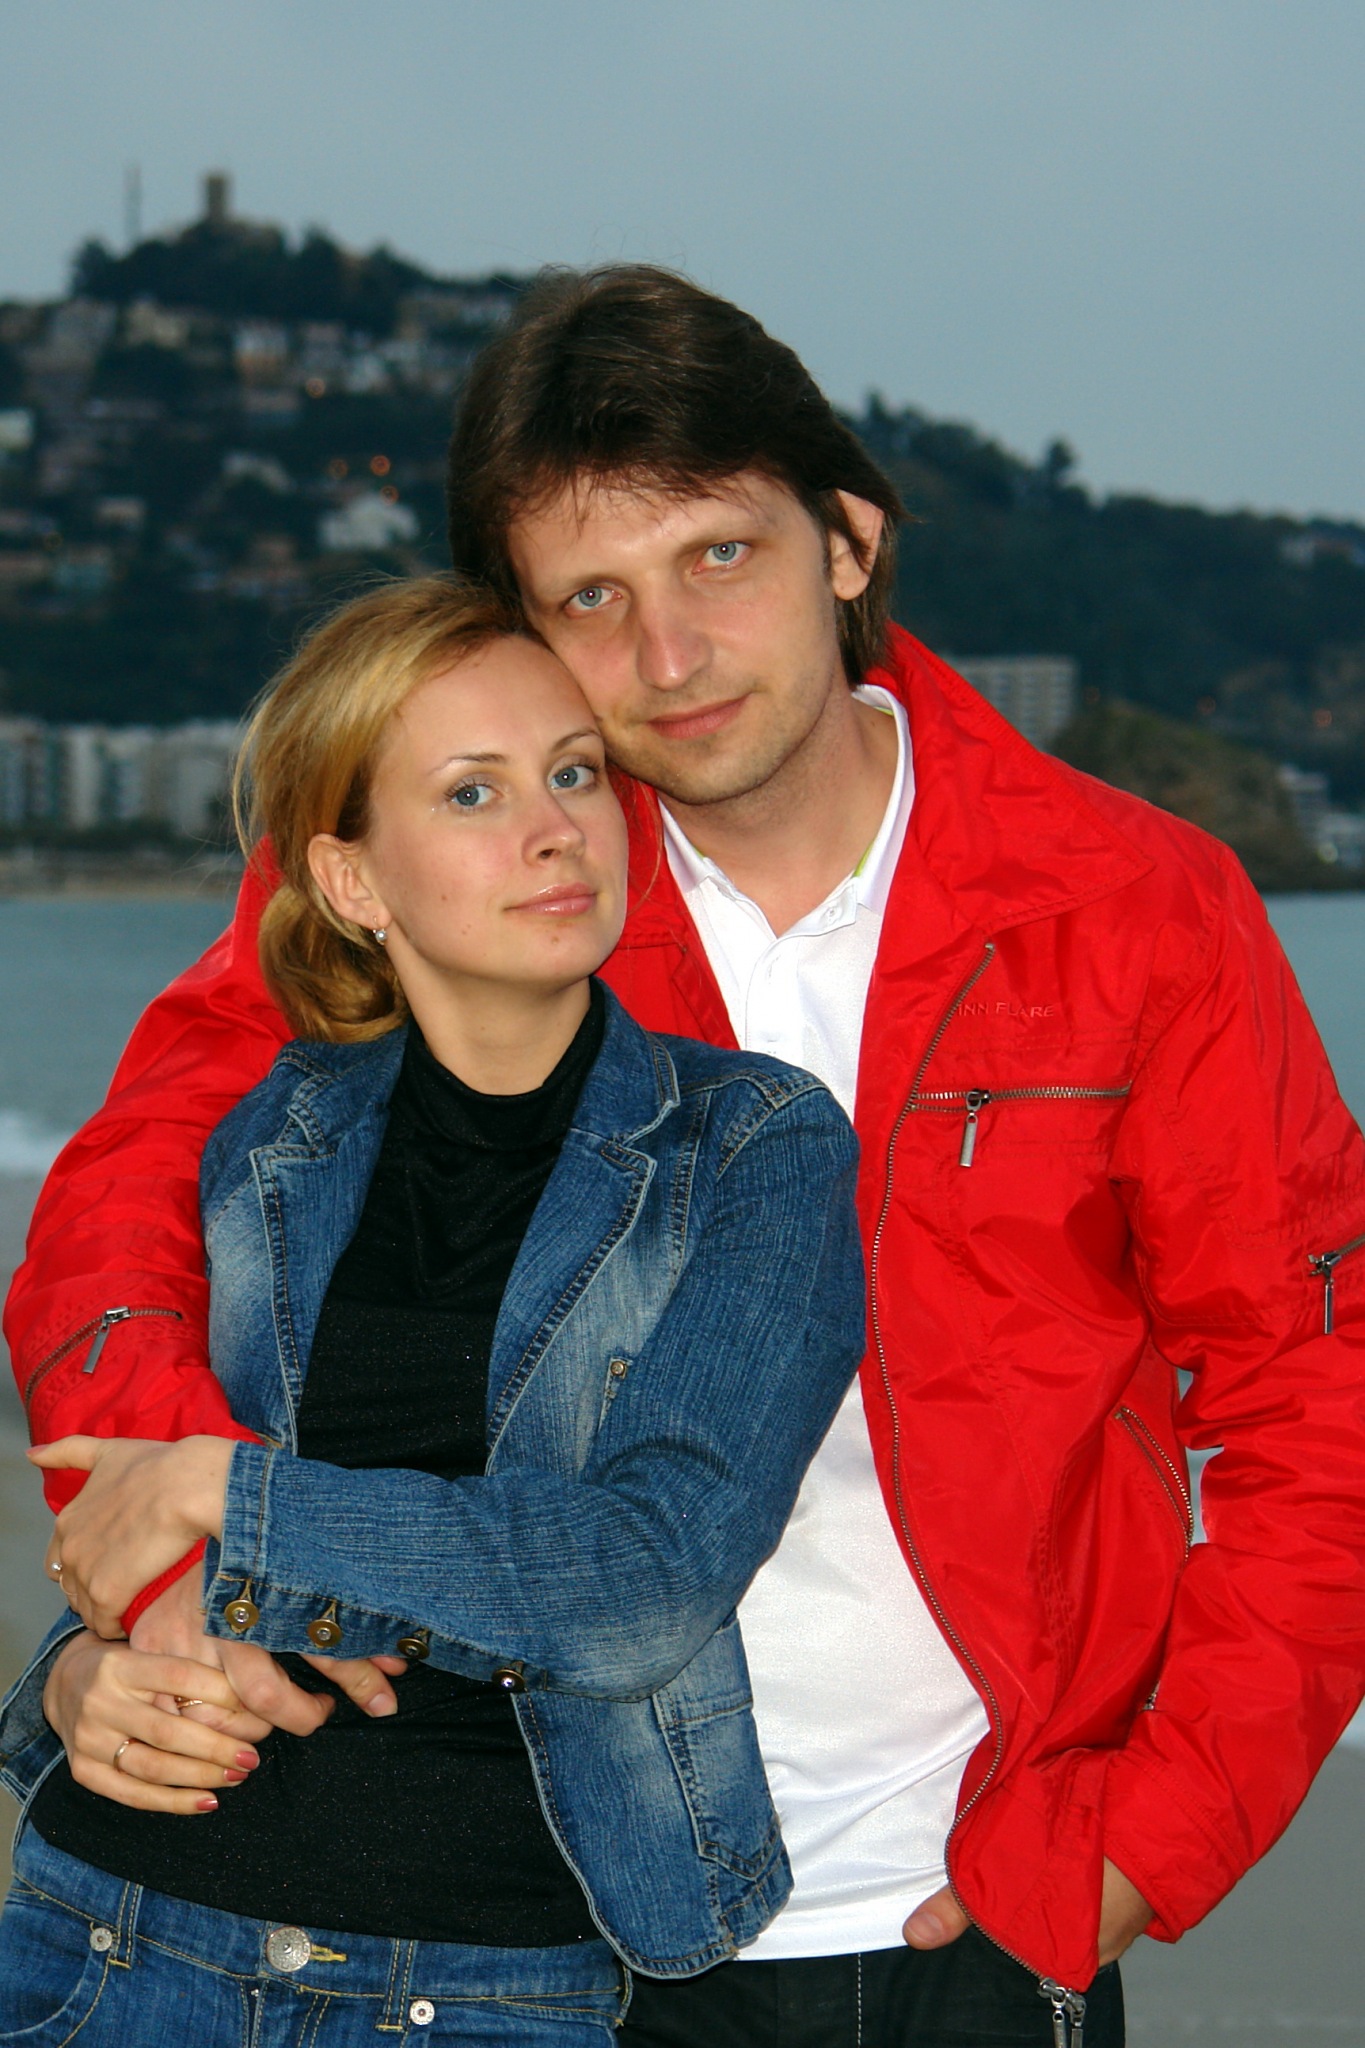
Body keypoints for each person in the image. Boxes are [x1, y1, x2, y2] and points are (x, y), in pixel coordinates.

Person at [8, 266, 1365, 2048]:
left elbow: (1312, 1398)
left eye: (719, 555)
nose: (667, 656)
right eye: (592, 596)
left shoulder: (1130, 910)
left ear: (848, 542)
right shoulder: (499, 872)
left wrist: (1137, 1845)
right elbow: (138, 1185)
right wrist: (164, 1575)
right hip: (521, 1922)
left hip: (962, 1894)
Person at [0, 575, 866, 2042]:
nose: (554, 828)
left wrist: (228, 1494)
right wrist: (77, 1679)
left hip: (483, 1986)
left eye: (573, 774)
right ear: (352, 882)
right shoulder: (272, 1139)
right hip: (115, 1936)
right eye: (472, 792)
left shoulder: (751, 1148)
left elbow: (645, 1583)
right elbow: (146, 1544)